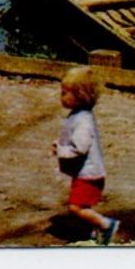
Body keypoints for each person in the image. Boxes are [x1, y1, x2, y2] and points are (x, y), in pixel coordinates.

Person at [54, 65, 120, 244]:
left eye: (65, 93)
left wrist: (61, 150)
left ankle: (106, 225)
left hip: (89, 174)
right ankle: (88, 232)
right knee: (83, 204)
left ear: (80, 96)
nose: (62, 96)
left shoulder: (83, 121)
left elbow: (80, 148)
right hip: (84, 171)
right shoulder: (79, 114)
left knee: (75, 207)